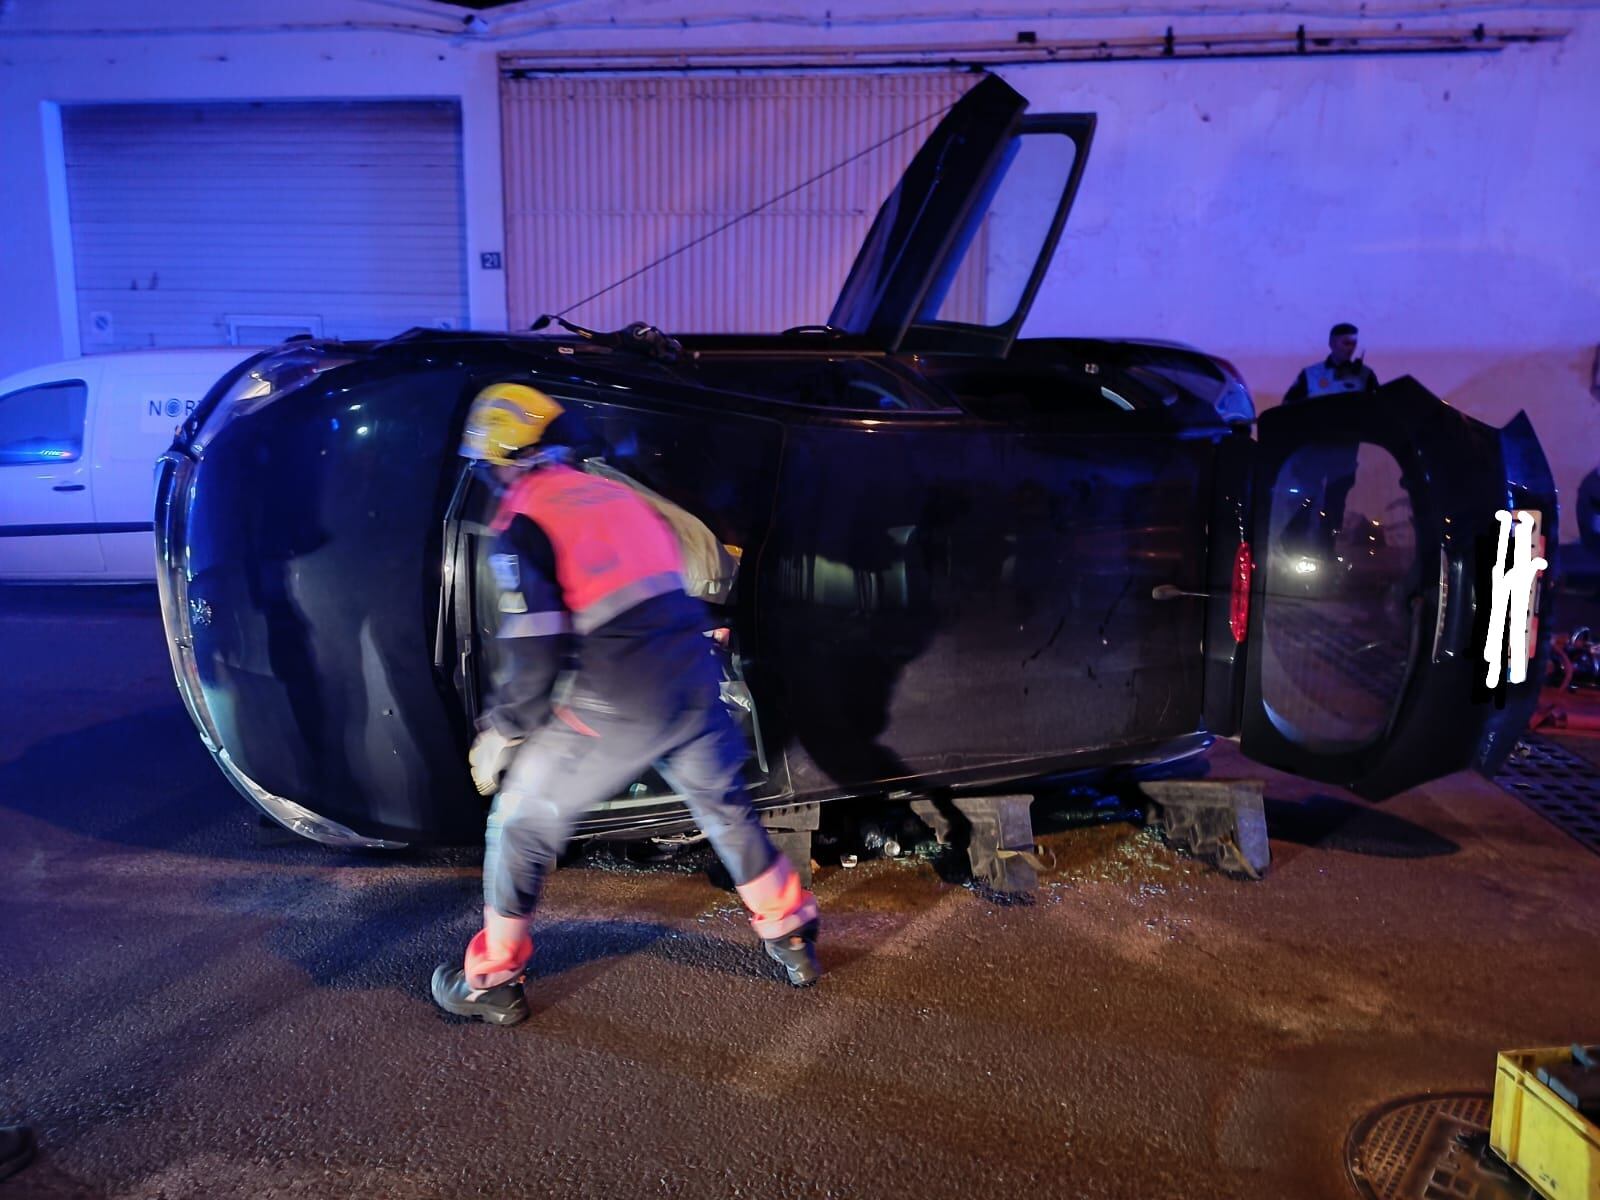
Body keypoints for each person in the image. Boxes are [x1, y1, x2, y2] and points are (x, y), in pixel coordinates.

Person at [431, 382, 821, 1026]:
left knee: (519, 822)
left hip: (617, 697)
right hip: (691, 679)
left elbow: (532, 648)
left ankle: (492, 980)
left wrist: (506, 729)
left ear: (502, 462)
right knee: (723, 807)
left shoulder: (522, 522)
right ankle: (791, 934)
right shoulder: (618, 494)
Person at [1282, 321, 1380, 406]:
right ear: (1332, 343)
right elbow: (1287, 406)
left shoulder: (1366, 374)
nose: (1351, 348)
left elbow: (1378, 406)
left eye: (1354, 343)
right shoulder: (1309, 375)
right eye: (1346, 343)